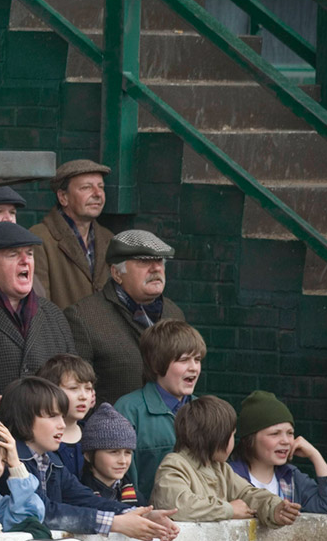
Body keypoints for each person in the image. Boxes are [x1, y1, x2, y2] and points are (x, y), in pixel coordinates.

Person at [0, 376, 178, 541]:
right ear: (24, 418)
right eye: (52, 416)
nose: (61, 425)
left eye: (61, 416)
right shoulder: (7, 461)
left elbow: (85, 498)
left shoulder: (52, 460)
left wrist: (140, 514)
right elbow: (46, 512)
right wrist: (115, 523)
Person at [0, 221, 75, 416]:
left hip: (47, 440)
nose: (25, 261)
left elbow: (74, 376)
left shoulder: (53, 314)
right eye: (13, 254)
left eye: (29, 254)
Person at [64, 229, 185, 406]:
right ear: (117, 273)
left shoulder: (174, 314)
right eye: (144, 262)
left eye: (159, 261)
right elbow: (76, 392)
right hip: (112, 429)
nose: (156, 268)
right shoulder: (83, 318)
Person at [152, 396, 302, 527]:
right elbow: (179, 506)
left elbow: (248, 494)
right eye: (231, 435)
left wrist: (274, 508)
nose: (233, 441)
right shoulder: (174, 464)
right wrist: (228, 509)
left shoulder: (222, 469)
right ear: (215, 437)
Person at [115, 319, 205, 503]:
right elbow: (123, 481)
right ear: (157, 365)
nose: (193, 367)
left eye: (197, 359)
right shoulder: (128, 410)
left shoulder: (206, 412)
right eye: (183, 360)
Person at [229, 390, 327, 515]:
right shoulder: (229, 477)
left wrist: (315, 455)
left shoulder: (291, 478)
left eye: (290, 433)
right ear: (250, 439)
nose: (286, 441)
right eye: (275, 434)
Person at [30, 159, 114, 309]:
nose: (97, 194)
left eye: (101, 187)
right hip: (61, 331)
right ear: (63, 197)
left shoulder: (108, 238)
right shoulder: (40, 238)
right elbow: (39, 306)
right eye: (86, 187)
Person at [34, 353, 96, 480]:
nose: (83, 396)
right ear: (50, 391)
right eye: (74, 388)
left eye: (88, 388)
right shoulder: (40, 444)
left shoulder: (96, 437)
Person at [80, 403, 139, 504]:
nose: (123, 461)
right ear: (88, 455)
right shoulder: (78, 495)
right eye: (114, 452)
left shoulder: (136, 497)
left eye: (128, 452)